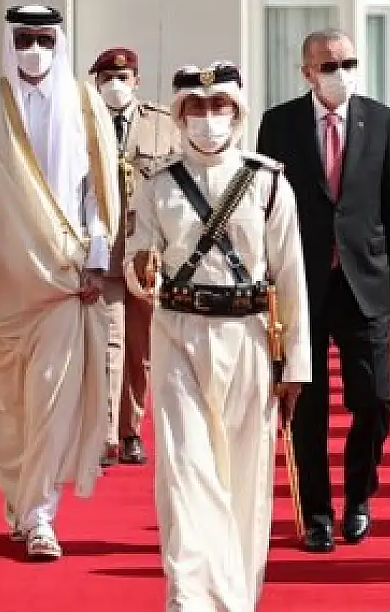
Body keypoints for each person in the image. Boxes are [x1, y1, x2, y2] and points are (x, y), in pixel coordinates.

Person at [124, 61, 310, 611]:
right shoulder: (157, 186)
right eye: (197, 108)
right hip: (178, 334)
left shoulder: (268, 182)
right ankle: (190, 598)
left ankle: (236, 597)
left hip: (249, 337)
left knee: (244, 480)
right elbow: (137, 261)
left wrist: (295, 366)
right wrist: (140, 268)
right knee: (185, 470)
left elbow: (291, 276)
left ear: (237, 112)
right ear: (180, 116)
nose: (208, 119)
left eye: (219, 106)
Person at [0, 4, 118, 560]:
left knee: (50, 401)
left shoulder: (85, 104)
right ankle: (20, 504)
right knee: (6, 410)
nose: (34, 50)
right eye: (24, 39)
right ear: (9, 41)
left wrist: (97, 257)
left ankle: (41, 516)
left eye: (44, 39)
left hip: (63, 281)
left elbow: (98, 190)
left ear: (58, 42)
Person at [257, 28, 390, 553]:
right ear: (307, 72)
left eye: (348, 63)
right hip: (301, 282)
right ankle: (318, 513)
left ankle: (359, 498)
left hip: (364, 281)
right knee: (309, 405)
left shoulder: (381, 120)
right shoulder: (279, 124)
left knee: (376, 399)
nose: (340, 74)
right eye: (328, 66)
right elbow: (263, 205)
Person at [89, 46, 178, 466]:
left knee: (140, 348)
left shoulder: (163, 125)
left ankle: (131, 431)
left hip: (146, 253)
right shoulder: (83, 125)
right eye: (107, 79)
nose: (115, 85)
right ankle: (107, 433)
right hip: (103, 251)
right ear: (96, 84)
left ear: (137, 81)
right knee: (110, 340)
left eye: (122, 78)